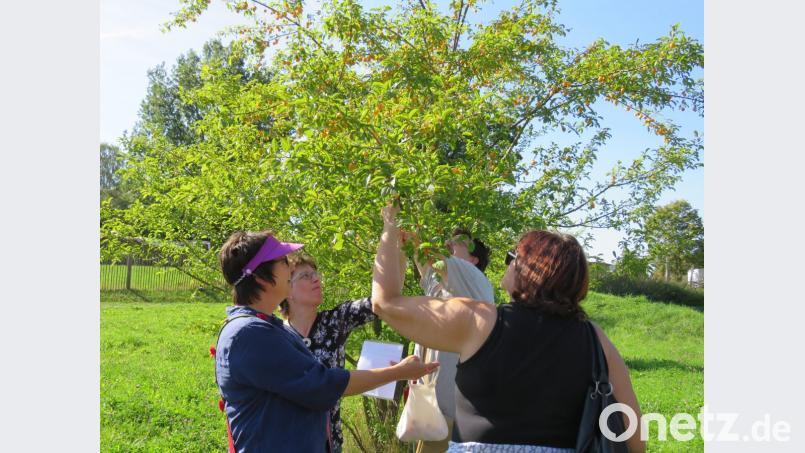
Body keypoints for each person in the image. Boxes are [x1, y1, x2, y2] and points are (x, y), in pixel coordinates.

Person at [372, 206, 645, 453]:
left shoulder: (478, 321)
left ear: (528, 271)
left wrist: (390, 222)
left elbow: (385, 303)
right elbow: (635, 440)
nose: (508, 262)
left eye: (512, 256)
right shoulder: (596, 339)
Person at [216, 230, 439, 453]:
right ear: (260, 277)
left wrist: (394, 241)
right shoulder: (250, 334)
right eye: (283, 261)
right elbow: (323, 386)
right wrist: (399, 372)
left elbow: (385, 299)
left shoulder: (264, 328)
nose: (290, 267)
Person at [404, 228, 495, 453]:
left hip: (454, 416)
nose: (446, 243)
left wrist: (412, 235)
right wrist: (409, 245)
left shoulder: (475, 281)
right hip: (431, 411)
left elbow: (432, 259)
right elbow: (426, 268)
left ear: (473, 260)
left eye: (456, 243)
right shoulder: (448, 290)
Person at [278, 254, 378, 453]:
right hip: (286, 443)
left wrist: (394, 246)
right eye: (306, 276)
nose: (316, 279)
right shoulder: (276, 335)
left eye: (315, 273)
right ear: (287, 290)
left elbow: (380, 302)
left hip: (328, 444)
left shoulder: (335, 322)